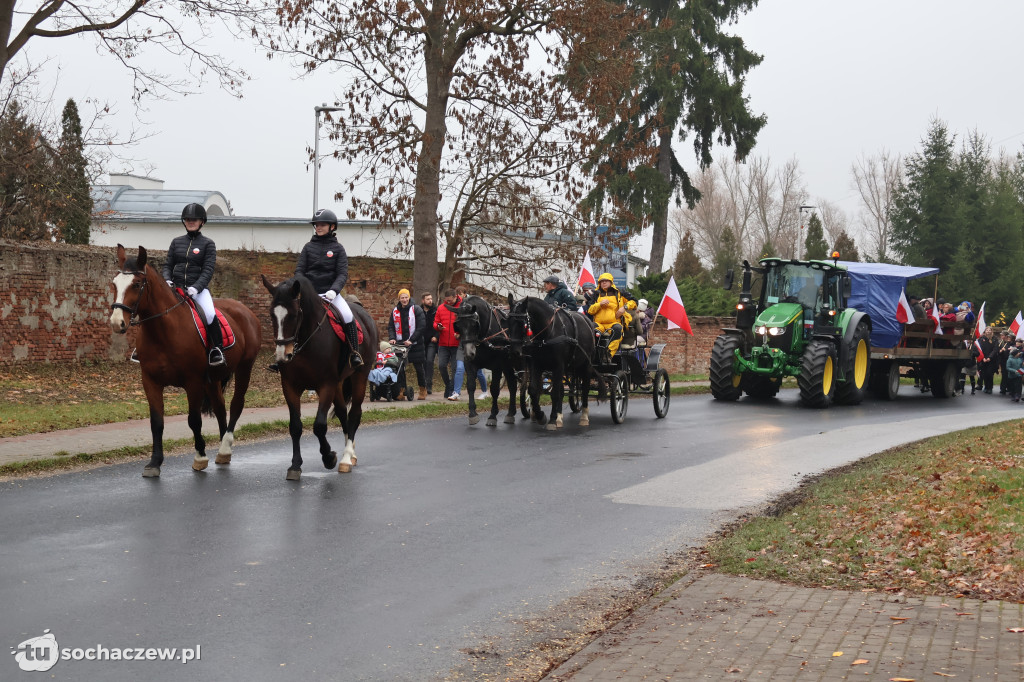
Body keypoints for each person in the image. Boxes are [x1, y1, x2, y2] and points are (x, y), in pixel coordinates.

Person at [293, 208, 362, 369]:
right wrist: (302, 287)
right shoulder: (308, 247)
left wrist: (334, 290)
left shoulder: (338, 249)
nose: (318, 227)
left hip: (331, 294)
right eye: (316, 224)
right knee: (290, 317)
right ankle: (283, 355)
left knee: (347, 316)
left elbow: (342, 274)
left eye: (322, 224)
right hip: (310, 294)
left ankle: (354, 353)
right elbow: (299, 271)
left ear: (332, 227)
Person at [162, 203, 224, 366]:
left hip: (198, 289)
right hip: (175, 288)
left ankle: (216, 350)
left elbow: (208, 270)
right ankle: (145, 349)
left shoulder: (208, 244)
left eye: (194, 219)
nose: (190, 221)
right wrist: (167, 279)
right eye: (188, 219)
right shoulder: (176, 242)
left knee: (210, 314)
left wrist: (196, 288)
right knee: (157, 310)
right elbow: (168, 265)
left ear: (202, 222)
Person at [388, 288, 427, 400]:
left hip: (415, 344)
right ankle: (402, 390)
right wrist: (392, 338)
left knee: (418, 368)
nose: (404, 300)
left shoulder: (416, 309)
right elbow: (391, 326)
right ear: (399, 299)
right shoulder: (395, 311)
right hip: (400, 344)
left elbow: (421, 326)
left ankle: (422, 388)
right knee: (399, 368)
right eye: (402, 298)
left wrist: (411, 339)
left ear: (409, 297)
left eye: (406, 297)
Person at [588, 272, 631, 358]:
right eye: (601, 281)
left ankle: (608, 354)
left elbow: (634, 301)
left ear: (611, 282)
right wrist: (599, 304)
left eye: (606, 281)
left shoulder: (619, 292)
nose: (603, 283)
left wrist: (624, 307)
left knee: (618, 329)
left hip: (613, 323)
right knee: (589, 329)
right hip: (599, 324)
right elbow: (590, 310)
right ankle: (591, 354)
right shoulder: (596, 294)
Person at [434, 288, 461, 400]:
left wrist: (459, 333)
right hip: (443, 343)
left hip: (456, 343)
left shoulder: (461, 307)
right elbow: (435, 322)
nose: (448, 303)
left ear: (456, 297)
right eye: (447, 301)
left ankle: (452, 389)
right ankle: (448, 385)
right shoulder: (441, 308)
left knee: (455, 368)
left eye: (450, 301)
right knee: (441, 366)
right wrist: (438, 327)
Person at [421, 291, 438, 395]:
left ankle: (429, 384)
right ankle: (423, 385)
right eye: (428, 299)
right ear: (423, 300)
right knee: (423, 362)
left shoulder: (435, 311)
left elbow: (440, 324)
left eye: (431, 299)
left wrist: (436, 336)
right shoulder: (418, 311)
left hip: (432, 340)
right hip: (421, 341)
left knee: (430, 361)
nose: (430, 301)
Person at [976, 326, 998, 394]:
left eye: (989, 330)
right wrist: (983, 358)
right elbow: (980, 349)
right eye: (987, 330)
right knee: (984, 373)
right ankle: (986, 387)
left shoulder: (995, 339)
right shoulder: (981, 339)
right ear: (985, 331)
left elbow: (995, 349)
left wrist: (990, 357)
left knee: (990, 374)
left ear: (992, 331)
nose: (988, 331)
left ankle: (990, 387)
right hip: (983, 359)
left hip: (991, 360)